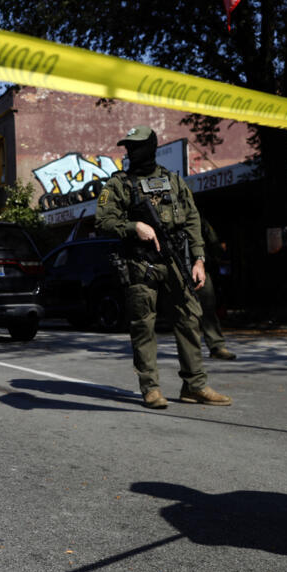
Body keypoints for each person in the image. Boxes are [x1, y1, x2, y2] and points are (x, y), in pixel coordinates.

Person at [93, 125, 231, 410]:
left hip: (176, 261)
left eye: (137, 146)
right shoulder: (118, 184)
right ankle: (151, 389)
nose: (131, 151)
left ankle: (194, 385)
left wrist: (199, 260)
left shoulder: (173, 180)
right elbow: (102, 222)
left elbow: (192, 220)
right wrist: (134, 226)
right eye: (128, 146)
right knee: (144, 326)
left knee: (190, 320)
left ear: (152, 146)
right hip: (141, 263)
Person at [198, 219, 236, 360]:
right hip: (172, 264)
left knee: (207, 306)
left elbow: (213, 241)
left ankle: (216, 346)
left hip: (199, 264)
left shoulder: (199, 220)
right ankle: (190, 351)